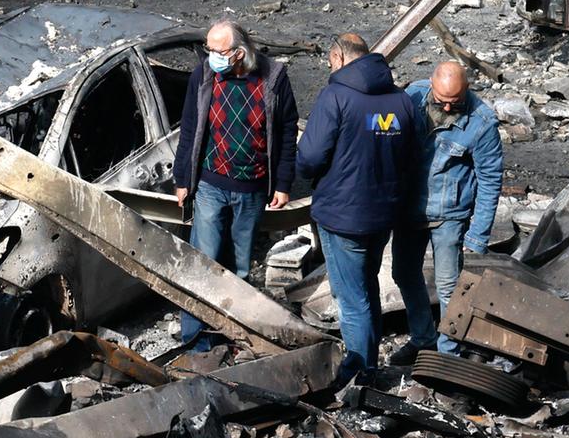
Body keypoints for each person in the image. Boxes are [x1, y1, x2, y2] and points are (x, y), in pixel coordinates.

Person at [297, 34, 419, 386]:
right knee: (366, 287)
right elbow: (411, 158)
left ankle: (360, 371)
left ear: (337, 56)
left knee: (351, 297)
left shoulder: (336, 96)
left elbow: (310, 156)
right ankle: (368, 360)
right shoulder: (401, 100)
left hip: (342, 215)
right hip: (384, 214)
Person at [173, 21, 298, 351]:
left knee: (239, 269)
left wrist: (282, 184)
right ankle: (197, 343)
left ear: (240, 53)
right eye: (208, 49)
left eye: (217, 51)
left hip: (252, 187)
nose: (210, 57)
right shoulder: (204, 76)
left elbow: (287, 134)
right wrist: (182, 179)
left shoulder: (273, 79)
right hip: (211, 183)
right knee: (203, 263)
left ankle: (233, 336)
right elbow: (189, 128)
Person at [392, 61, 504, 364]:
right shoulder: (412, 97)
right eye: (441, 98)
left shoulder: (481, 122)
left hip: (449, 217)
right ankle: (423, 338)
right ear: (431, 83)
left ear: (466, 90)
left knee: (449, 288)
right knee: (403, 274)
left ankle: (447, 355)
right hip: (408, 210)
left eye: (454, 101)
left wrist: (477, 235)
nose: (446, 105)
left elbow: (490, 180)